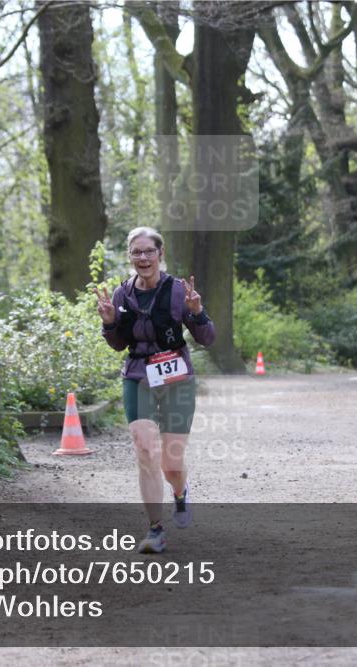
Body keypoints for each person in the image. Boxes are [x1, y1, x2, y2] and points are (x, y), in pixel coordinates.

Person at [95, 227, 216, 554]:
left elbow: (207, 339)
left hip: (176, 378)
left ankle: (180, 492)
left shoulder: (178, 291)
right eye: (136, 252)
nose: (143, 258)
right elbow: (119, 344)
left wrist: (197, 313)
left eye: (149, 251)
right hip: (137, 376)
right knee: (146, 451)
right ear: (130, 257)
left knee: (171, 464)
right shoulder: (122, 295)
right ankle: (155, 529)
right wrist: (109, 323)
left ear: (160, 255)